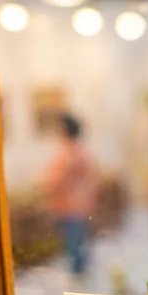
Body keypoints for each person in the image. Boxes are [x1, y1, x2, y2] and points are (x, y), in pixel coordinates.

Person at [41, 114, 98, 279]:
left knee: (75, 247)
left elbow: (54, 179)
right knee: (78, 244)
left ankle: (78, 277)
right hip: (79, 206)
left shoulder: (68, 153)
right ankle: (80, 274)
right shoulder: (79, 151)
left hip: (70, 207)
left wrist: (43, 182)